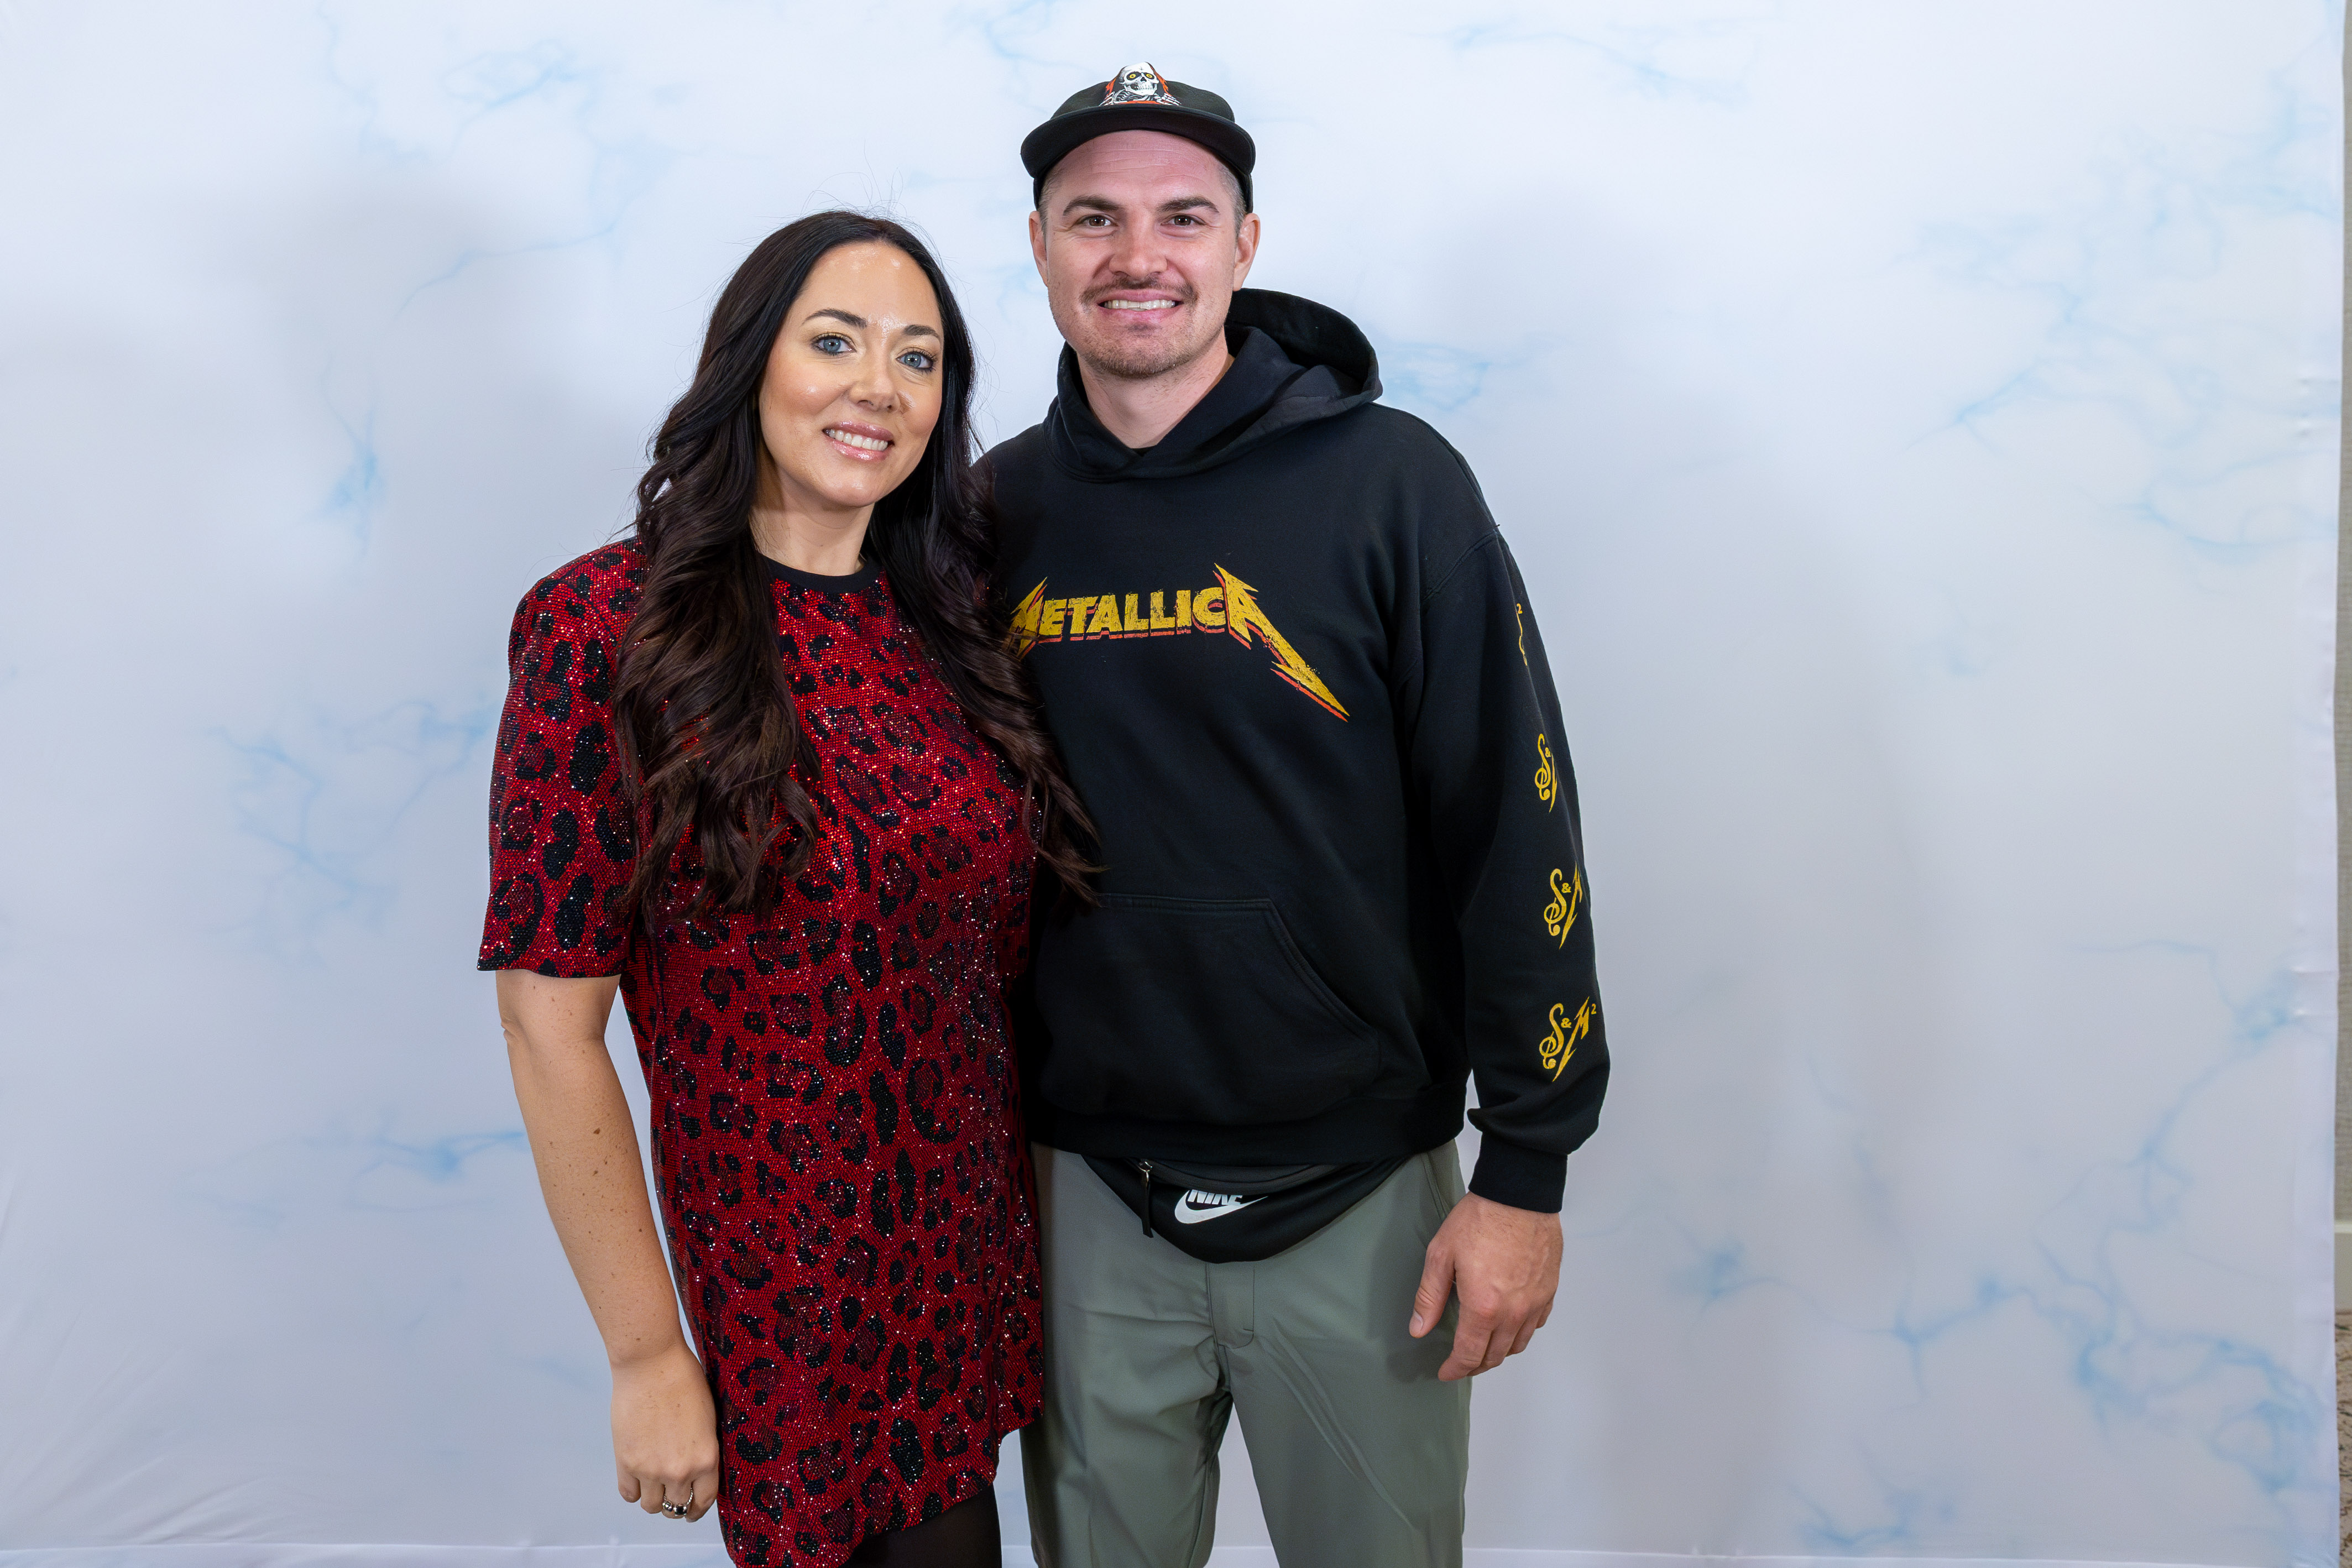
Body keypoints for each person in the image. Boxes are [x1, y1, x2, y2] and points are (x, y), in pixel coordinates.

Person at [989, 66, 1611, 1568]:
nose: (1138, 253)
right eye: (1094, 218)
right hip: (1081, 1192)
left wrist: (1526, 1169)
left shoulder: (1392, 484)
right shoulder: (987, 510)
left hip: (1362, 1192)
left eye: (1181, 216)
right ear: (1040, 246)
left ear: (1245, 242)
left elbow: (1515, 820)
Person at [479, 211, 1092, 1568]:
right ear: (750, 365)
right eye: (836, 342)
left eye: (919, 358)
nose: (880, 386)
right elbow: (547, 1024)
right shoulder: (605, 627)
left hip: (968, 1265)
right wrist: (646, 1351)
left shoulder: (949, 623)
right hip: (788, 1297)